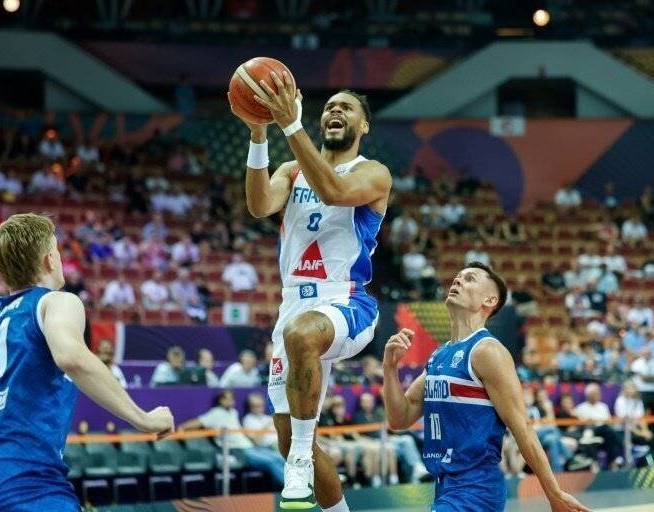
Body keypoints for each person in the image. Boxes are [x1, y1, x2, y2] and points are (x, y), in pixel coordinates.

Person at [0, 213, 174, 512]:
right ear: (49, 260)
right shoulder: (56, 302)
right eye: (57, 249)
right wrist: (144, 418)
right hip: (26, 486)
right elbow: (71, 358)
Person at [231, 79, 391, 511]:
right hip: (293, 305)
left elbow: (335, 192)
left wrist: (291, 124)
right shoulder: (290, 170)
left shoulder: (373, 172)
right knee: (285, 436)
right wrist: (259, 132)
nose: (334, 111)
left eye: (346, 108)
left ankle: (302, 453)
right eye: (329, 106)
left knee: (302, 336)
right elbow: (259, 205)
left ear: (364, 125)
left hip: (346, 300)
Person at [382, 262, 588, 512]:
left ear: (489, 300)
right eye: (457, 277)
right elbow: (399, 418)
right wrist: (390, 369)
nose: (457, 281)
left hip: (475, 489)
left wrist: (554, 494)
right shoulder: (440, 355)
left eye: (469, 279)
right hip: (445, 487)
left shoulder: (487, 351)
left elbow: (522, 426)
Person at [179, 389, 285, 486]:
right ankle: (290, 490)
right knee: (271, 461)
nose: (230, 401)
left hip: (251, 447)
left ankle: (297, 488)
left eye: (232, 399)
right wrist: (182, 428)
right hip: (239, 452)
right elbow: (197, 422)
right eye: (227, 399)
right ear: (221, 400)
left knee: (279, 458)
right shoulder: (215, 413)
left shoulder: (234, 412)